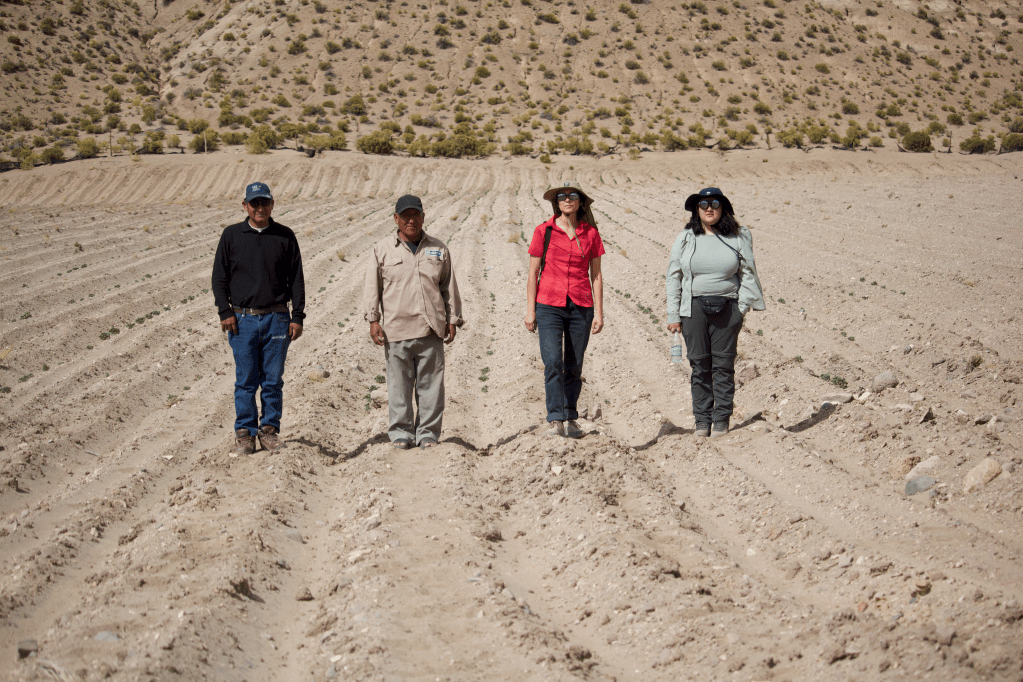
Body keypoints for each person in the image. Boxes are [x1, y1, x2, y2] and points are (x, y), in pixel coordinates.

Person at [212, 182, 305, 455]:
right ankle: (245, 433)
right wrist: (225, 311)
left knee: (273, 380)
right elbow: (219, 278)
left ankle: (269, 431)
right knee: (246, 380)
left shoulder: (285, 236)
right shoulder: (231, 236)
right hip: (243, 320)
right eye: (255, 204)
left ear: (272, 204)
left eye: (265, 203)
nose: (260, 208)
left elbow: (297, 279)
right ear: (245, 206)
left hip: (277, 318)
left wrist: (297, 316)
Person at [363, 194, 463, 449]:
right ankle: (401, 434)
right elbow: (372, 288)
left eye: (415, 215)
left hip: (431, 327)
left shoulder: (439, 248)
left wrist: (452, 318)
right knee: (399, 387)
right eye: (405, 216)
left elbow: (448, 286)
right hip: (396, 327)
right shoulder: (382, 249)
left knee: (431, 386)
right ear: (396, 219)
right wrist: (373, 320)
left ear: (423, 217)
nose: (411, 220)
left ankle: (427, 433)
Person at [666, 187, 764, 438]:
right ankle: (702, 419)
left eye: (715, 203)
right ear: (696, 211)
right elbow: (673, 276)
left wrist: (741, 309)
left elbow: (748, 273)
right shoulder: (686, 237)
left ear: (724, 208)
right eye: (703, 204)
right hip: (693, 309)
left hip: (728, 307)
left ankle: (721, 419)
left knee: (723, 365)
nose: (709, 208)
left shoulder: (739, 236)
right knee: (699, 365)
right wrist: (673, 314)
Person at [524, 182, 605, 439]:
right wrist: (530, 311)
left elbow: (597, 275)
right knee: (552, 361)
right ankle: (555, 418)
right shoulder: (543, 231)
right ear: (556, 203)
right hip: (548, 304)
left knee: (574, 365)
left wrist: (600, 312)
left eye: (572, 196)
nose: (567, 200)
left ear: (580, 202)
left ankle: (571, 417)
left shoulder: (590, 234)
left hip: (581, 305)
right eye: (562, 196)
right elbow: (533, 273)